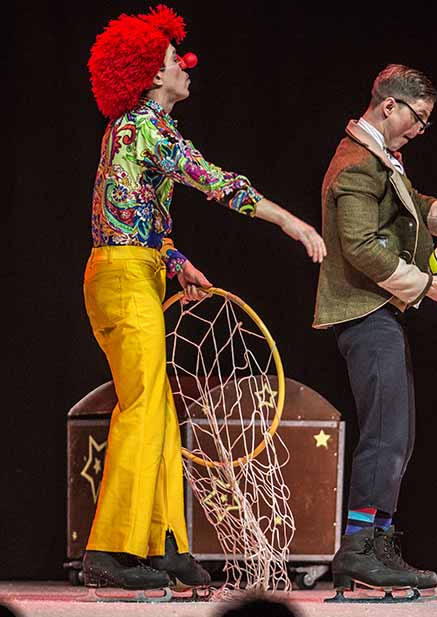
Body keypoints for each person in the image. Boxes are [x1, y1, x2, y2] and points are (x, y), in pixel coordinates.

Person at [81, 5, 325, 592]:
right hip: (121, 276)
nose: (184, 66)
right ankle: (110, 548)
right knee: (143, 408)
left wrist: (175, 260)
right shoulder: (145, 126)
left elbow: (128, 211)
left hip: (132, 270)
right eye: (172, 60)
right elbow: (213, 180)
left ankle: (162, 543)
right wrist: (288, 221)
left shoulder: (136, 132)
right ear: (148, 74)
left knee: (159, 409)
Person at [313, 64, 437, 596]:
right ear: (390, 106)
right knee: (386, 433)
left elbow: (416, 209)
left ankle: (375, 540)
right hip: (362, 311)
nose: (420, 130)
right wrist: (425, 285)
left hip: (380, 312)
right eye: (418, 118)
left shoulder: (382, 159)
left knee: (398, 432)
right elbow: (358, 245)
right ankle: (358, 547)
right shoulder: (356, 163)